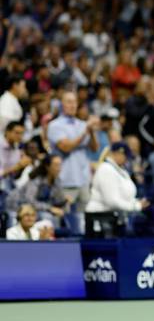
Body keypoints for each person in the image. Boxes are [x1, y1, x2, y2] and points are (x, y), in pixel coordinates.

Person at [47, 91, 99, 227]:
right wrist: (85, 131)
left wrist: (92, 131)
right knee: (63, 218)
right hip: (65, 178)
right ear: (61, 104)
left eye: (74, 102)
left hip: (83, 178)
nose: (72, 105)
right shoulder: (55, 125)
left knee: (86, 219)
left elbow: (94, 148)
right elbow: (66, 147)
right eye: (69, 102)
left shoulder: (81, 124)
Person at [86, 142, 148, 213]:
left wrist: (136, 202)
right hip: (100, 216)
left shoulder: (119, 170)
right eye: (125, 156)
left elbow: (124, 196)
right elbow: (112, 201)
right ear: (118, 154)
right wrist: (136, 206)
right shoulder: (106, 169)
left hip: (112, 217)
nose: (126, 160)